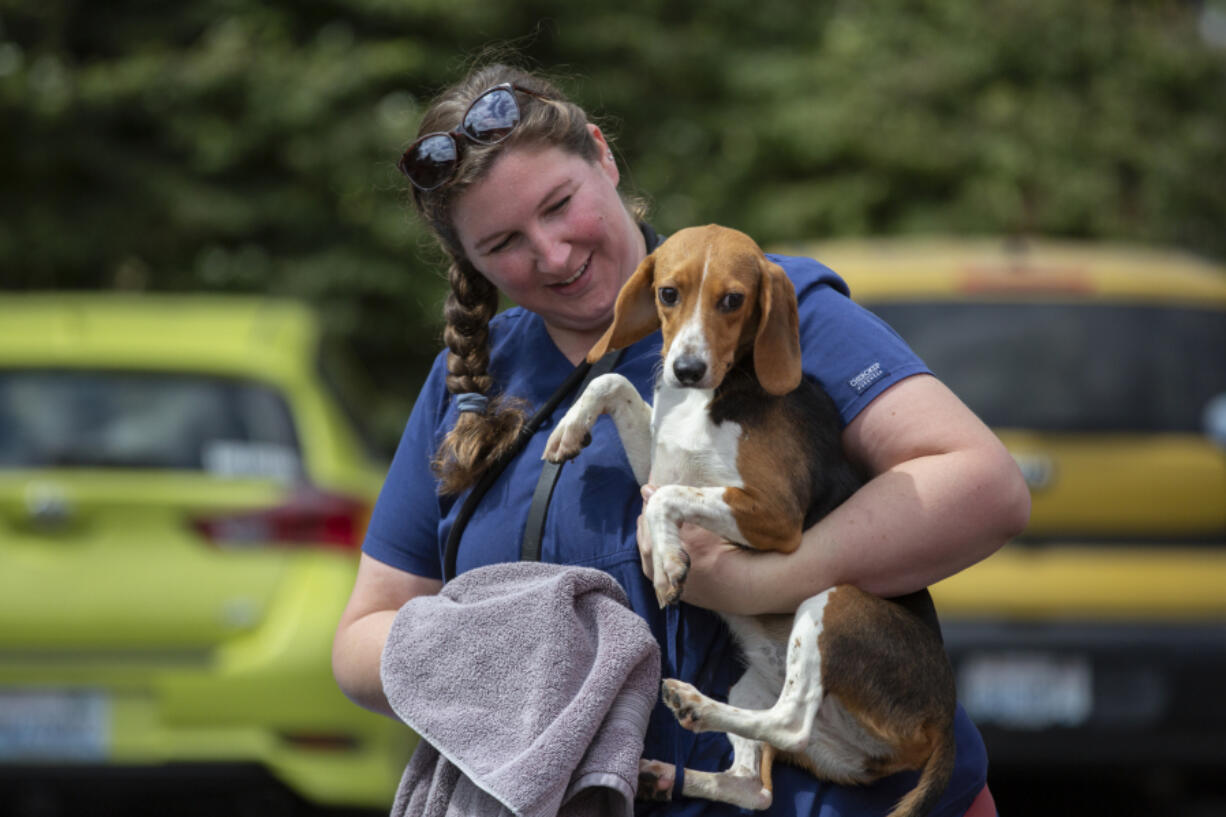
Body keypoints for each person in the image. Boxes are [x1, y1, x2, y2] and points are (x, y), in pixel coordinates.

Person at [332, 62, 1030, 816]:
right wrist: (511, 644)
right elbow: (360, 643)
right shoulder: (466, 383)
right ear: (469, 261)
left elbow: (984, 486)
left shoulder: (762, 310)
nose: (554, 254)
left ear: (603, 154)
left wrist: (753, 583)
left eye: (561, 205)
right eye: (503, 242)